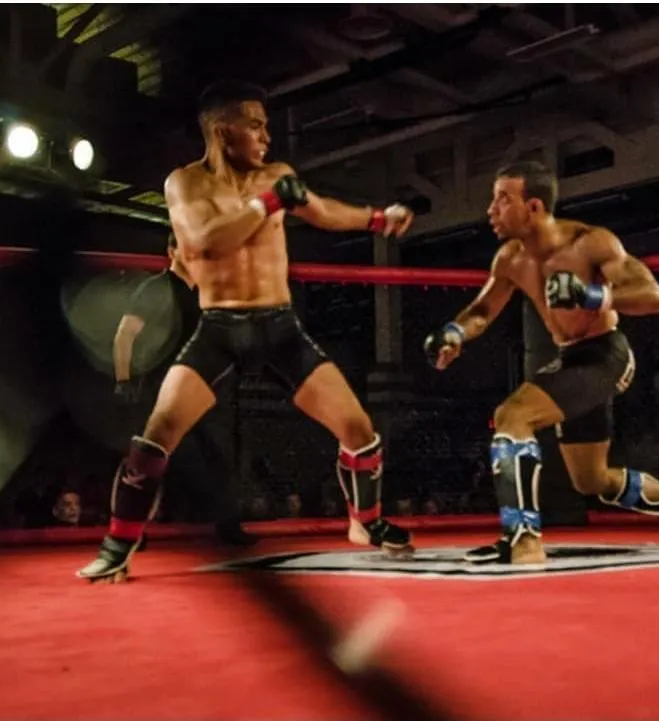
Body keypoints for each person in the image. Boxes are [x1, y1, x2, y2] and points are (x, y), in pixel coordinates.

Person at [77, 80, 415, 581]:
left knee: (359, 430)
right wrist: (266, 205)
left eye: (265, 125)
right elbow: (204, 242)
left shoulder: (277, 174)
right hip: (219, 326)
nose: (266, 136)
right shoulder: (185, 184)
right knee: (156, 435)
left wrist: (377, 219)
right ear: (222, 131)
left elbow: (321, 210)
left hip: (280, 324)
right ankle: (117, 547)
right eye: (255, 125)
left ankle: (365, 523)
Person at [423, 161, 659, 565]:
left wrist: (594, 296)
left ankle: (523, 538)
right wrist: (454, 332)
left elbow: (653, 296)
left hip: (606, 353)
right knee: (591, 480)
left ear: (534, 207)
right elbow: (482, 310)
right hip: (571, 359)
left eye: (503, 199)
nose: (491, 209)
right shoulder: (510, 258)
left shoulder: (590, 243)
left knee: (513, 415)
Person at [112, 232, 255, 546]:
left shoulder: (208, 291)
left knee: (220, 456)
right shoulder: (156, 288)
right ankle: (129, 531)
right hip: (162, 385)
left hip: (204, 388)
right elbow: (125, 335)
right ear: (171, 251)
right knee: (147, 461)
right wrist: (123, 380)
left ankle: (229, 526)